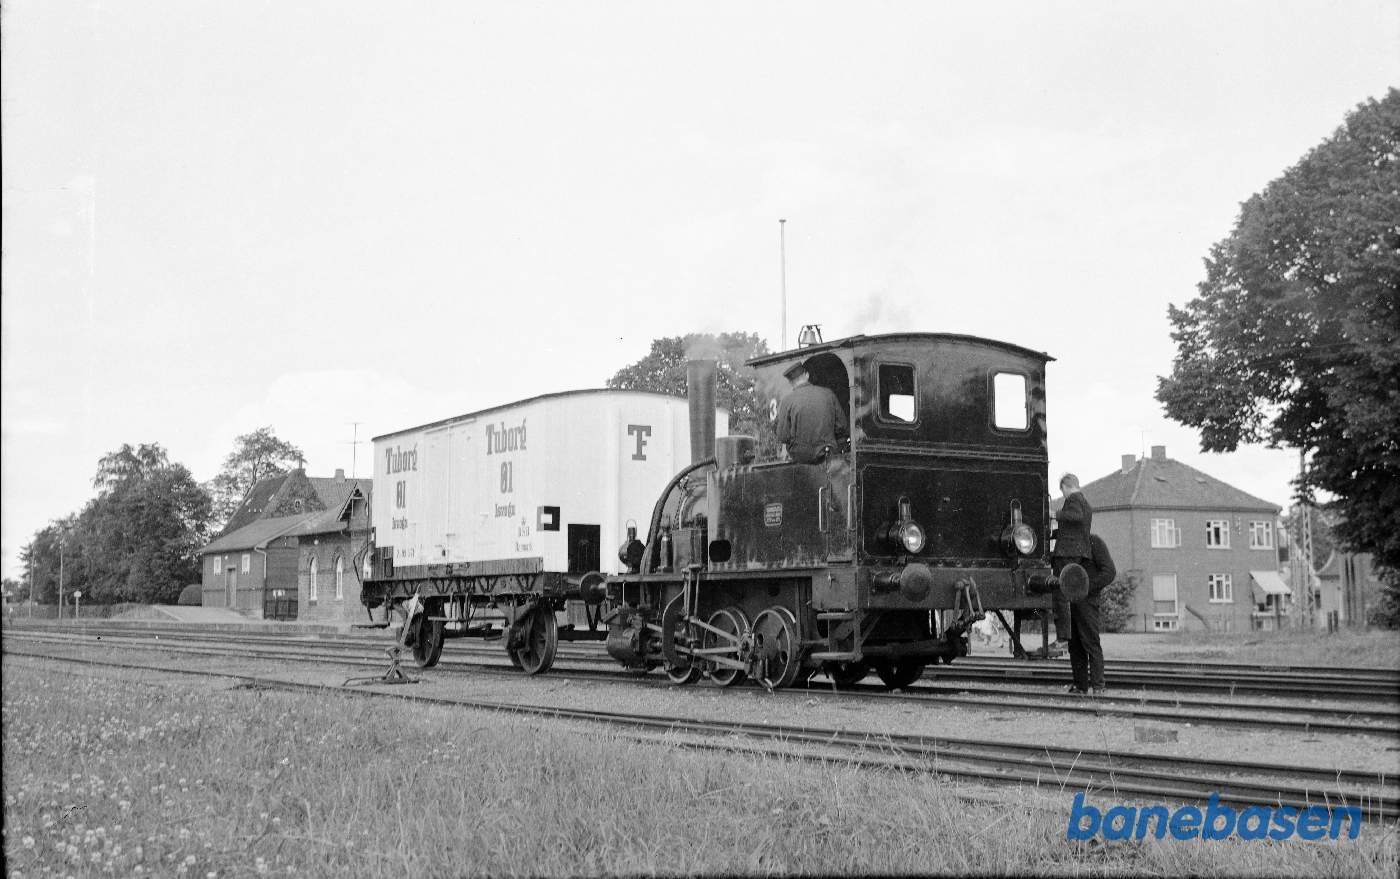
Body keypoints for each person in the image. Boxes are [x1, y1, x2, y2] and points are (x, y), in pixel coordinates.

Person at [1048, 472, 1093, 654]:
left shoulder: (1074, 499)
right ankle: (1070, 636)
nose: (1063, 494)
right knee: (1070, 595)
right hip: (1078, 552)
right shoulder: (1086, 502)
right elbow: (1073, 528)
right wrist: (1052, 534)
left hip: (1067, 553)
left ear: (1066, 487)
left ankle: (1063, 638)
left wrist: (1054, 514)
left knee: (1060, 594)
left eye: (1063, 490)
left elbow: (1075, 516)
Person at [1068, 533, 1116, 695]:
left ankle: (1098, 686)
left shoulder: (1094, 542)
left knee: (1091, 643)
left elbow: (1109, 572)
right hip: (1070, 600)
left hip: (1088, 600)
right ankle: (1081, 686)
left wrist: (1087, 587)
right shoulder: (1068, 544)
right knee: (1075, 645)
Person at [775, 362, 847, 464]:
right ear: (807, 375)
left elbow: (783, 436)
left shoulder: (787, 401)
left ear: (790, 382)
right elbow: (842, 426)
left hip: (802, 457)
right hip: (828, 452)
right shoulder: (828, 394)